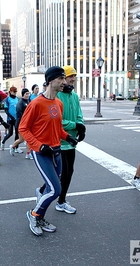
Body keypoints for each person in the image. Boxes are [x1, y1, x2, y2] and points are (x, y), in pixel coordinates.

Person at [19, 66, 78, 236]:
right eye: (61, 79)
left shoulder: (58, 103)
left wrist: (68, 137)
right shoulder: (36, 103)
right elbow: (23, 128)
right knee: (55, 190)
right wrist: (38, 146)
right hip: (42, 153)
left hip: (56, 151)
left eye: (64, 79)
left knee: (50, 188)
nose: (64, 82)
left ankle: (40, 217)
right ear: (51, 81)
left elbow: (56, 128)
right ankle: (33, 214)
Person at [36, 65, 86, 214]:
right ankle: (60, 201)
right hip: (57, 142)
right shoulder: (56, 96)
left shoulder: (75, 96)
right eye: (68, 76)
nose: (71, 79)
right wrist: (74, 125)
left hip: (70, 142)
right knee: (59, 175)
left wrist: (81, 126)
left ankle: (47, 193)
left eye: (72, 76)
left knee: (68, 172)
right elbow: (57, 122)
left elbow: (79, 115)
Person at [10, 88, 32, 159]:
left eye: (28, 93)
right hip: (21, 124)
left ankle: (28, 153)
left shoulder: (29, 101)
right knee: (22, 140)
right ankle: (13, 147)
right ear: (23, 95)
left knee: (27, 139)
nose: (28, 95)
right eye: (26, 94)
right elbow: (19, 115)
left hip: (28, 124)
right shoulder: (20, 103)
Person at [1, 86, 20, 153]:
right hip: (10, 119)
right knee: (10, 133)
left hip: (16, 119)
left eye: (16, 92)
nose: (15, 93)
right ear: (11, 92)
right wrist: (10, 116)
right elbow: (6, 110)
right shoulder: (7, 99)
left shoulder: (17, 99)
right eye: (14, 91)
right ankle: (3, 142)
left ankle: (16, 147)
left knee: (17, 133)